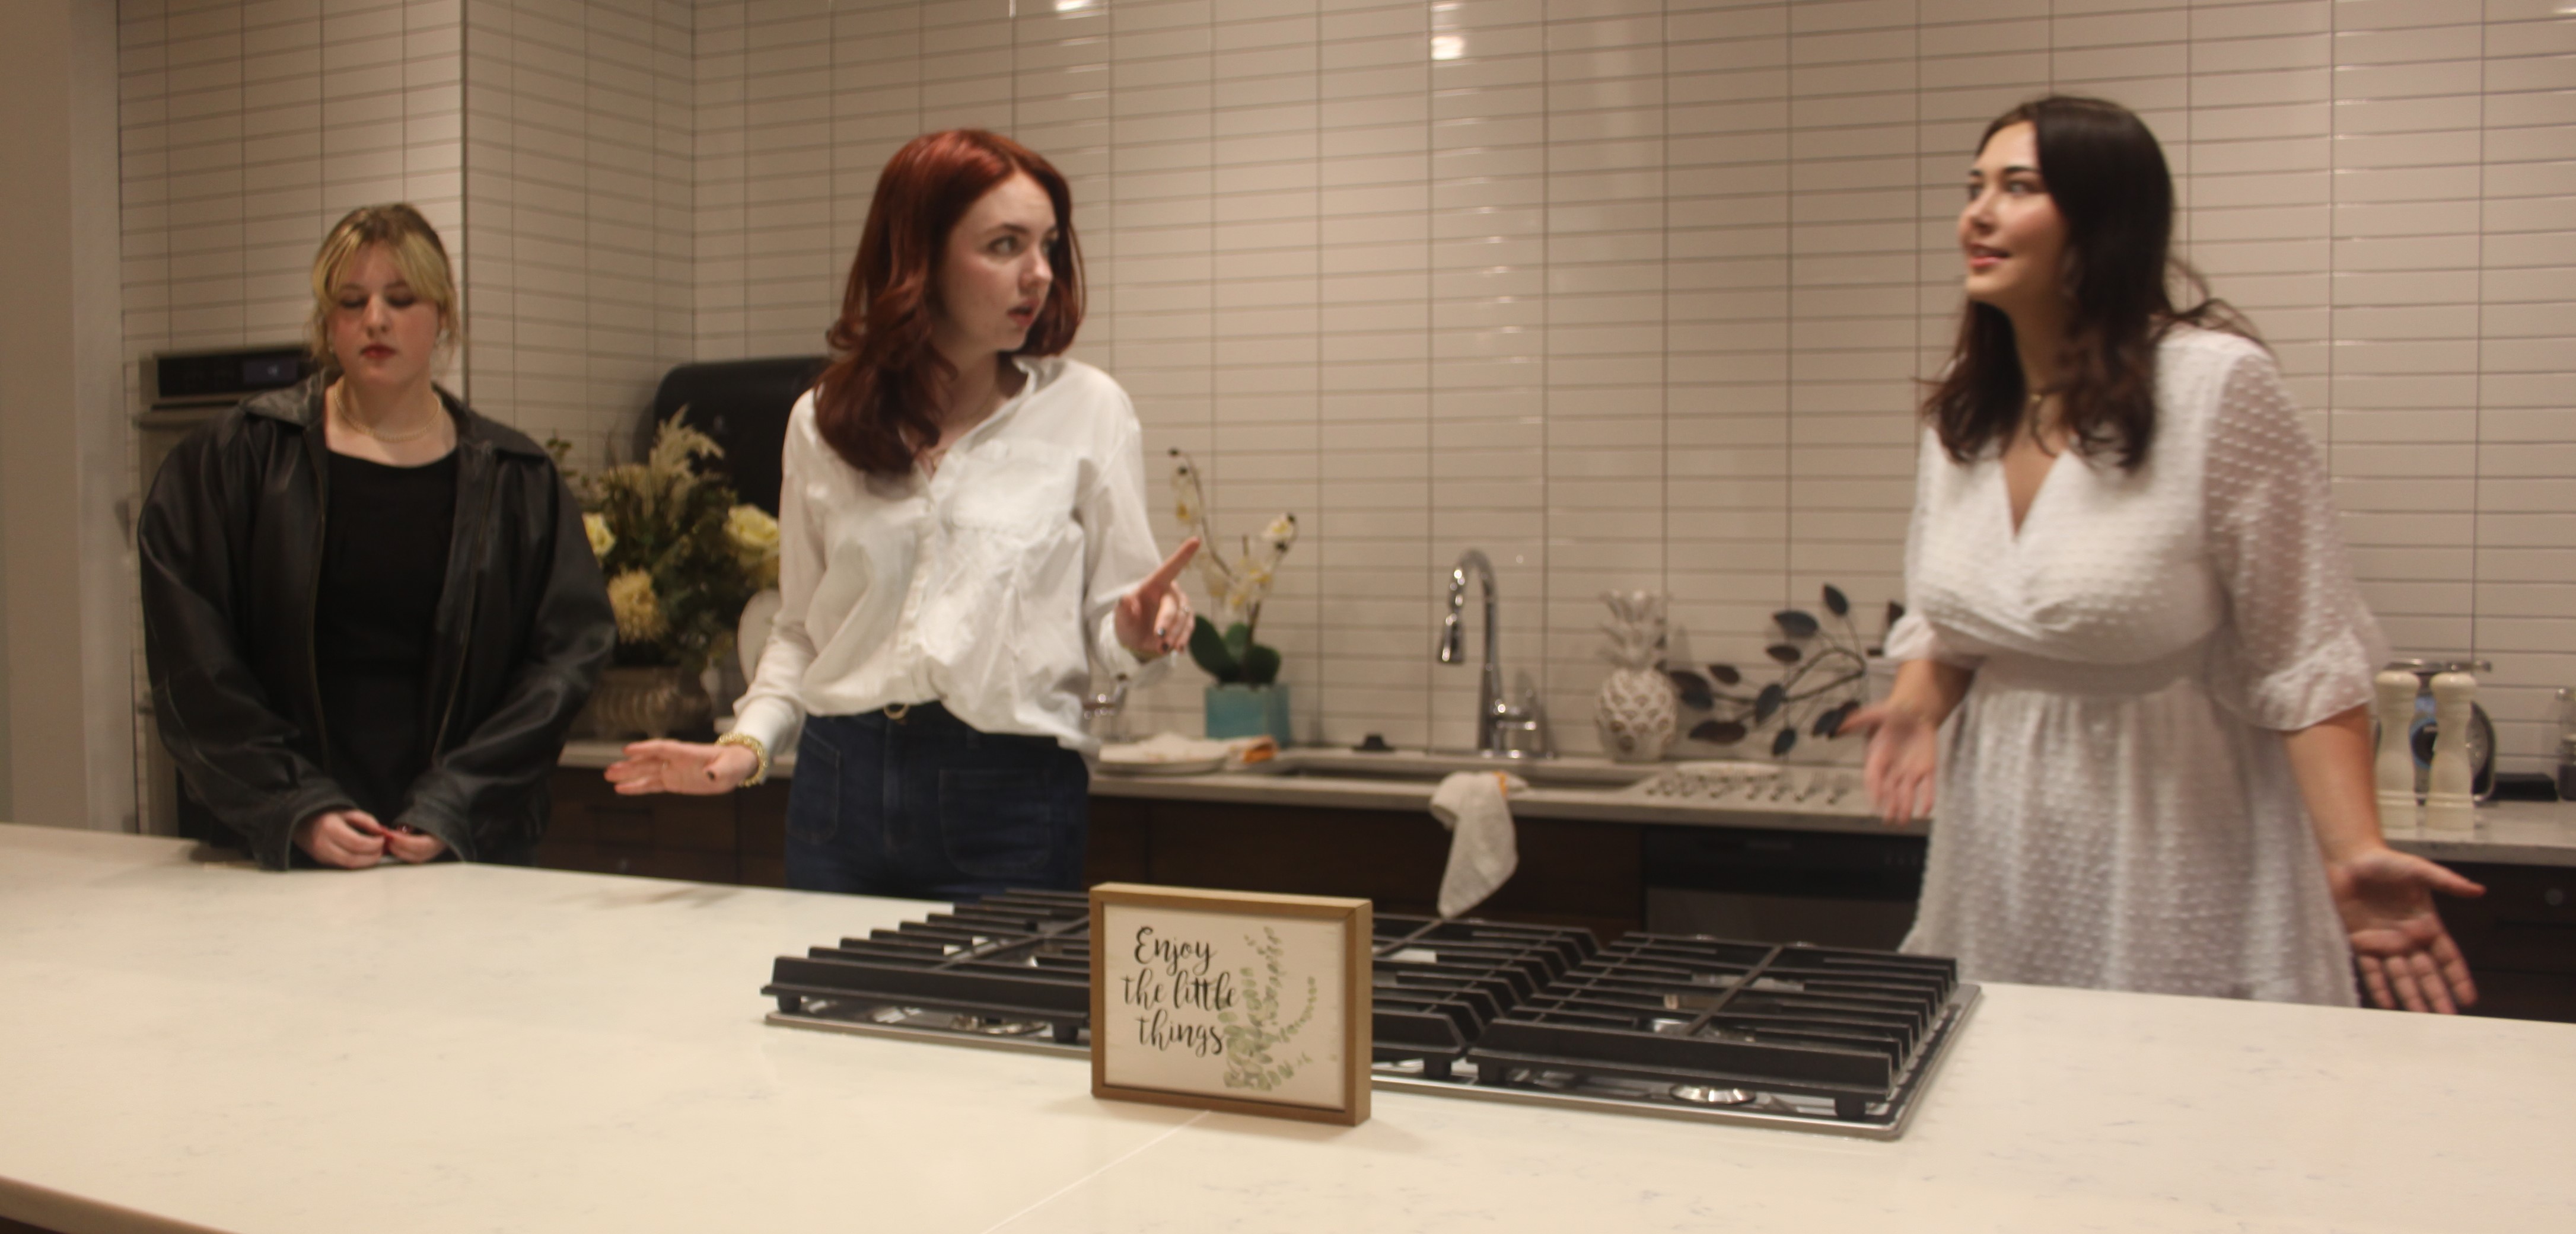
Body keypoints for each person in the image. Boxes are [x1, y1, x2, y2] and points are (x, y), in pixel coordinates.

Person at [1841, 96, 2484, 1013]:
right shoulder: (1964, 414)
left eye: (2016, 187)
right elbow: (1948, 625)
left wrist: (2351, 851)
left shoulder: (2216, 386)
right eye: (1972, 187)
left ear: (2104, 219)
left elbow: (2302, 653)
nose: (1974, 214)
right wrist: (1913, 706)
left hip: (2177, 831)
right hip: (2002, 846)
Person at [604, 130, 1198, 899]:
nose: (1039, 274)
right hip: (835, 787)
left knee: (993, 1019)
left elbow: (1115, 623)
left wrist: (1136, 633)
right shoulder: (821, 421)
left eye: (1048, 245)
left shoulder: (1086, 410)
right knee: (820, 1016)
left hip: (1008, 795)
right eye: (1004, 245)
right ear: (918, 258)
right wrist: (747, 745)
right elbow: (801, 629)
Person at [141, 203, 615, 871]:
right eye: (351, 301)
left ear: (442, 315)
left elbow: (562, 664)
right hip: (278, 860)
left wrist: (457, 802)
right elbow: (194, 663)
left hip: (460, 857)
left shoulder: (518, 481)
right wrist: (294, 804)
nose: (375, 319)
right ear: (325, 321)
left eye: (401, 298)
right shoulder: (235, 461)